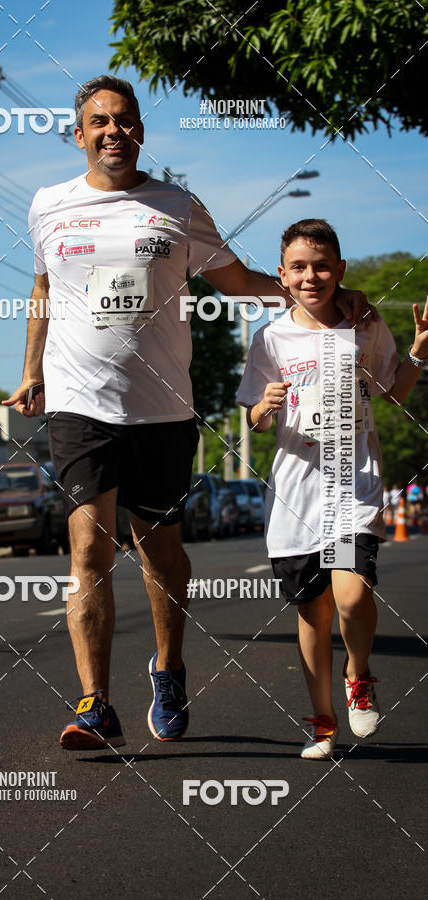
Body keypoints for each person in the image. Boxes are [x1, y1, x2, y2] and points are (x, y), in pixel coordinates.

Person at [3, 76, 367, 751]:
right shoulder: (48, 205)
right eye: (100, 121)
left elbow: (236, 282)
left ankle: (168, 668)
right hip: (80, 403)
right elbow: (44, 287)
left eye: (126, 120)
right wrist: (31, 371)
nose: (114, 131)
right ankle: (94, 703)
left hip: (163, 409)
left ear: (141, 130)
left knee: (161, 553)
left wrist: (321, 295)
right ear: (78, 134)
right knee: (88, 550)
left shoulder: (176, 206)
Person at [237, 219, 428, 760]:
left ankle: (359, 673)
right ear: (282, 275)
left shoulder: (364, 325)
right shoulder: (269, 337)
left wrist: (418, 354)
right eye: (299, 267)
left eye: (321, 266)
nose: (311, 276)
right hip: (296, 496)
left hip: (353, 485)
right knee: (313, 614)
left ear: (339, 270)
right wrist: (263, 407)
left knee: (352, 594)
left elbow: (391, 394)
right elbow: (251, 419)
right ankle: (322, 723)